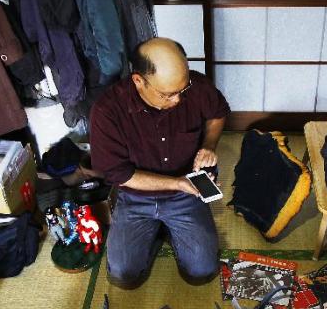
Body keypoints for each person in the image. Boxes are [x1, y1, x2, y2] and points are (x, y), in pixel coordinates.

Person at [90, 37, 230, 287]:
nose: (177, 100)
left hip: (186, 194)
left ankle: (168, 229)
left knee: (202, 271)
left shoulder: (196, 86)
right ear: (138, 81)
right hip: (135, 197)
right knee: (124, 275)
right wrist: (177, 183)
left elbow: (217, 113)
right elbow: (119, 175)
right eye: (168, 94)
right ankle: (155, 232)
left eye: (182, 90)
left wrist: (208, 146)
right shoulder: (107, 111)